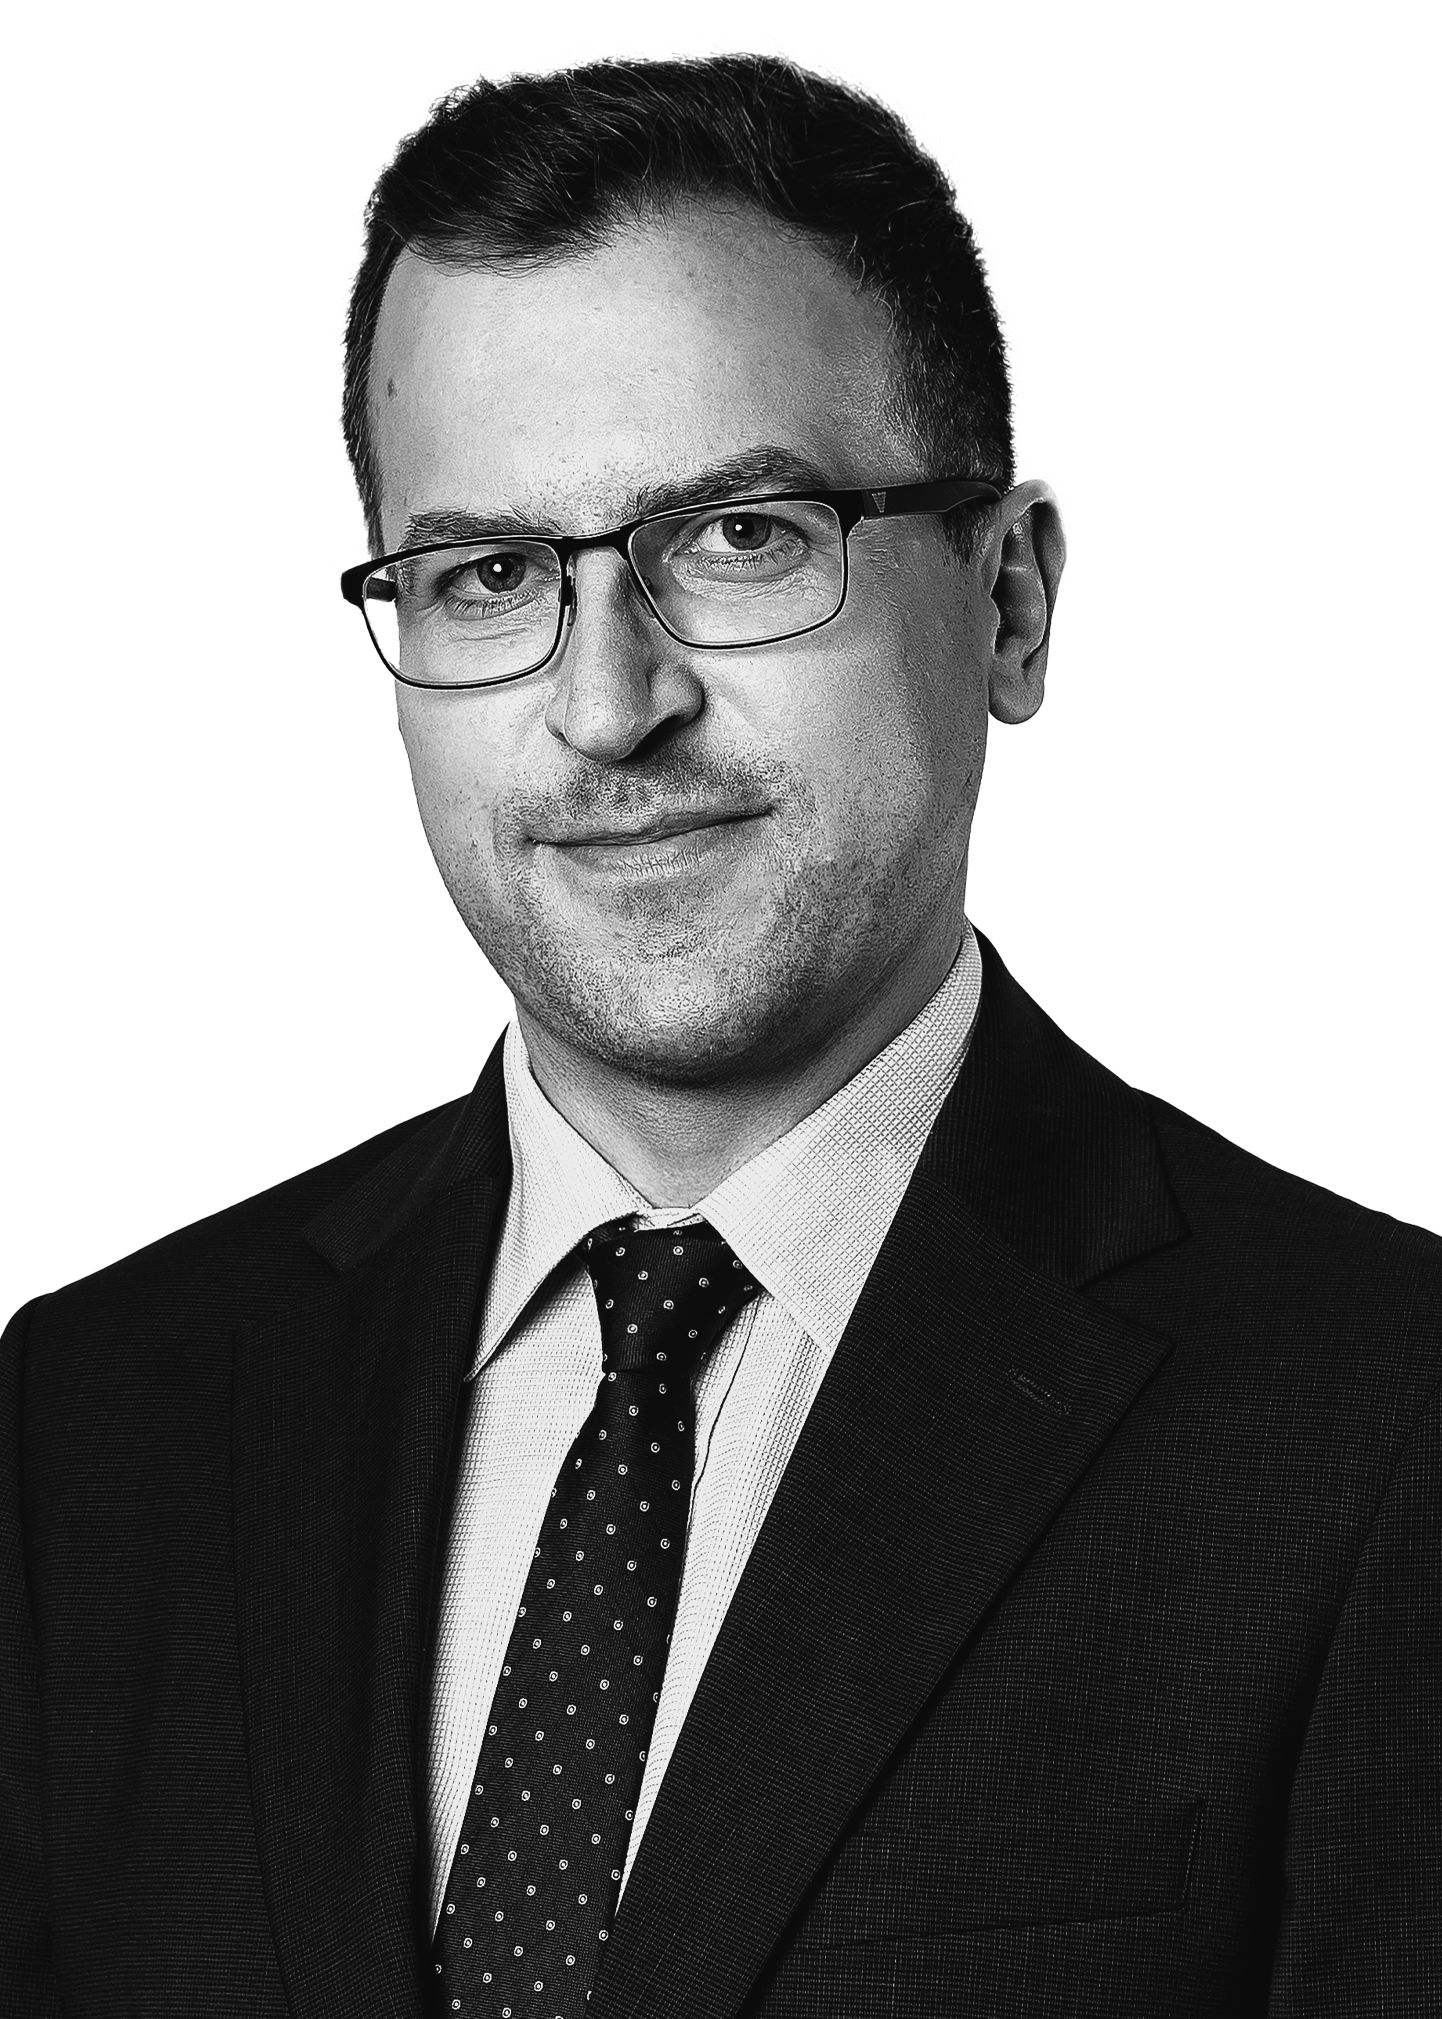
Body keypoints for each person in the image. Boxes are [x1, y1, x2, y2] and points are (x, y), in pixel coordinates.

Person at [3, 49, 1440, 2019]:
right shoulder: (91, 1420)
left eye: (742, 536)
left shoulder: (1379, 1425)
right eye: (487, 574)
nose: (608, 706)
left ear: (1009, 603)